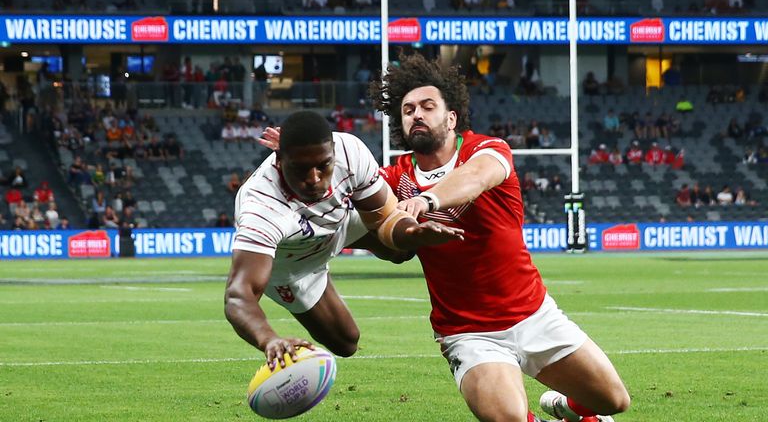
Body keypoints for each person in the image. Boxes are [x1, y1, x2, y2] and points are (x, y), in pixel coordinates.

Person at [370, 53, 628, 422]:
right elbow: (374, 227)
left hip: (534, 314)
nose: (417, 114)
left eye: (428, 106)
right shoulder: (394, 178)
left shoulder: (486, 149)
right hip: (468, 332)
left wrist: (427, 200)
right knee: (508, 418)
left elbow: (475, 178)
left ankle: (565, 407)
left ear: (451, 117)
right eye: (408, 109)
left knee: (613, 401)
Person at [224, 111, 463, 371]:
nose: (314, 178)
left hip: (341, 223)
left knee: (404, 249)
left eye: (323, 166)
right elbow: (239, 295)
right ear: (280, 160)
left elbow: (386, 216)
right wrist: (268, 340)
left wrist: (413, 232)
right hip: (294, 264)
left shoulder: (351, 153)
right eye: (301, 168)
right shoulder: (261, 208)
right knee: (346, 343)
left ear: (334, 152)